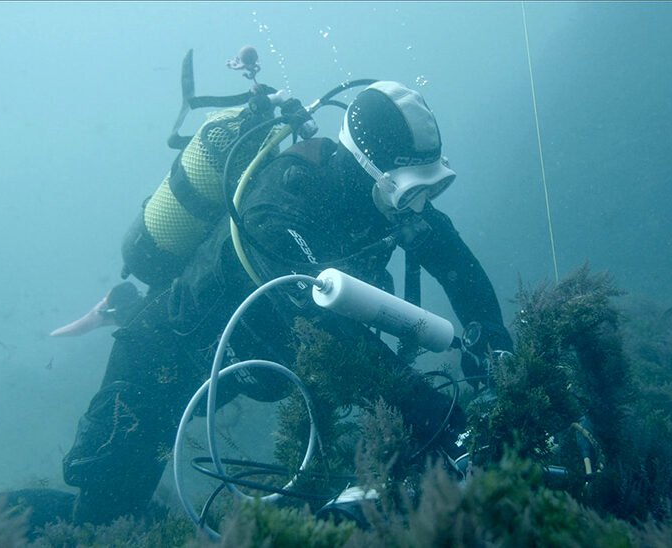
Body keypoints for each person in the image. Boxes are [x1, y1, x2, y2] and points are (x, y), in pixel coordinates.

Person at [58, 78, 514, 526]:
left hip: (233, 371)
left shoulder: (390, 203)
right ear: (368, 171)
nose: (420, 207)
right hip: (155, 363)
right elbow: (327, 331)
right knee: (99, 522)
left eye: (429, 191)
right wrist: (447, 424)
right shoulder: (278, 209)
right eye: (413, 192)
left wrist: (496, 350)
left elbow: (459, 266)